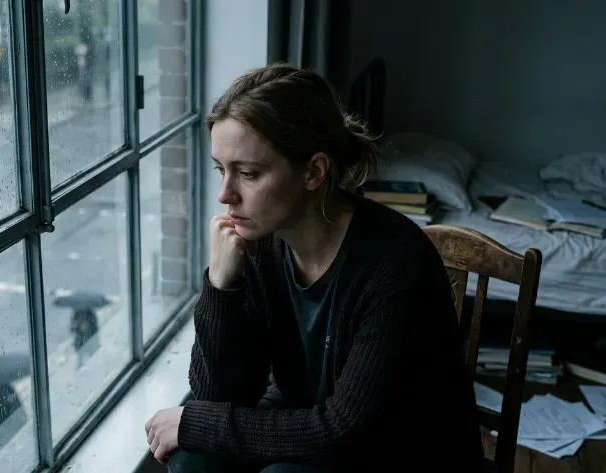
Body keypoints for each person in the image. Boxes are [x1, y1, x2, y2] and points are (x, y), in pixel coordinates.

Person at [143, 63, 485, 472]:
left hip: (402, 454)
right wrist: (221, 285)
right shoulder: (259, 241)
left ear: (314, 171)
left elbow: (345, 430)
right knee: (192, 462)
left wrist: (196, 422)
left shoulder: (395, 264)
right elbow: (219, 394)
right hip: (314, 434)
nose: (224, 195)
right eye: (222, 169)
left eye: (248, 173)